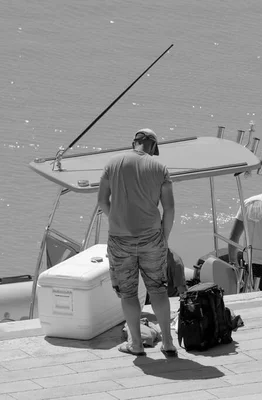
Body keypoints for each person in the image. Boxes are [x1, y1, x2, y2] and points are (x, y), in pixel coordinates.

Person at [97, 128, 177, 356]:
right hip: (152, 237)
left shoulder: (112, 164)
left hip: (120, 239)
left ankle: (136, 344)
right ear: (152, 146)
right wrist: (164, 237)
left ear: (134, 142)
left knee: (128, 293)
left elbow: (102, 201)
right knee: (158, 290)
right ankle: (169, 343)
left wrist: (116, 217)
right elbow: (169, 208)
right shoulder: (159, 168)